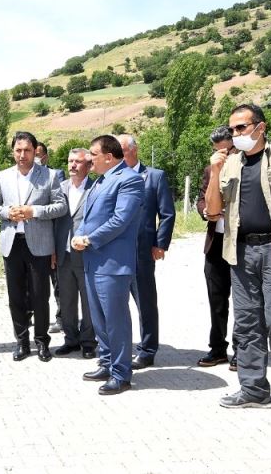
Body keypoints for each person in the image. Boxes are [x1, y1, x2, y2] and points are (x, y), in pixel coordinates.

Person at [205, 103, 271, 408]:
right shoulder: (229, 164)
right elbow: (213, 211)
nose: (235, 134)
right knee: (246, 322)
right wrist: (215, 173)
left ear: (260, 127)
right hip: (240, 252)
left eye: (241, 127)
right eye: (232, 129)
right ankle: (253, 389)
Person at [73, 135, 144, 395]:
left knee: (116, 321)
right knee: (99, 320)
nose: (88, 158)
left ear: (109, 157)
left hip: (113, 263)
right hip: (93, 260)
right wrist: (78, 235)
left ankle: (121, 374)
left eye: (93, 154)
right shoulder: (100, 180)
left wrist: (89, 239)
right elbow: (88, 217)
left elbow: (120, 220)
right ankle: (106, 363)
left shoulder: (130, 180)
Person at [0, 132, 67, 363]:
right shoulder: (3, 176)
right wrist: (6, 212)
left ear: (34, 151)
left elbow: (61, 206)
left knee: (41, 295)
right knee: (16, 297)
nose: (22, 155)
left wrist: (35, 211)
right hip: (12, 244)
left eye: (27, 150)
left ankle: (42, 342)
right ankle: (22, 342)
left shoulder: (49, 176)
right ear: (13, 152)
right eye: (18, 150)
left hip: (39, 245)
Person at [117, 134, 176, 370]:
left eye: (122, 150)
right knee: (115, 303)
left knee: (146, 302)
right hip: (116, 251)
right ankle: (117, 349)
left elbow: (167, 213)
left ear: (134, 150)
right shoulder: (113, 177)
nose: (118, 156)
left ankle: (148, 350)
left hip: (142, 251)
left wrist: (160, 244)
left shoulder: (154, 176)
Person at [196, 126, 237, 370]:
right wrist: (206, 211)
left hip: (241, 243)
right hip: (216, 244)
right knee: (216, 300)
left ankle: (242, 350)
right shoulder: (210, 169)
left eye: (226, 151)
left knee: (244, 300)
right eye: (217, 151)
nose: (222, 156)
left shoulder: (246, 167)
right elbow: (202, 199)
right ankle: (218, 349)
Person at [52, 148, 96, 359]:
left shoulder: (96, 188)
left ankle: (88, 342)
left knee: (88, 301)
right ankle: (71, 340)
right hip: (63, 253)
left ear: (88, 165)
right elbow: (53, 223)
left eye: (77, 162)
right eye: (70, 161)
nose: (72, 165)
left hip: (87, 253)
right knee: (66, 299)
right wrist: (52, 250)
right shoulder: (59, 189)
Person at [35, 141, 66, 334]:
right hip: (32, 238)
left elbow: (57, 206)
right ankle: (33, 316)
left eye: (38, 155)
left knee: (58, 282)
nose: (34, 158)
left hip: (53, 236)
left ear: (45, 157)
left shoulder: (56, 175)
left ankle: (61, 318)